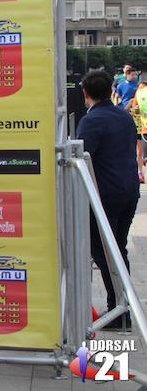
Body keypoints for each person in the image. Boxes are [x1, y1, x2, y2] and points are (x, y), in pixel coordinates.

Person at [77, 70, 141, 330]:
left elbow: (82, 157)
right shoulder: (123, 116)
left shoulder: (92, 121)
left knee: (104, 253)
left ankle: (119, 310)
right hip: (128, 192)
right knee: (118, 249)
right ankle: (122, 308)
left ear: (85, 93)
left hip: (106, 196)